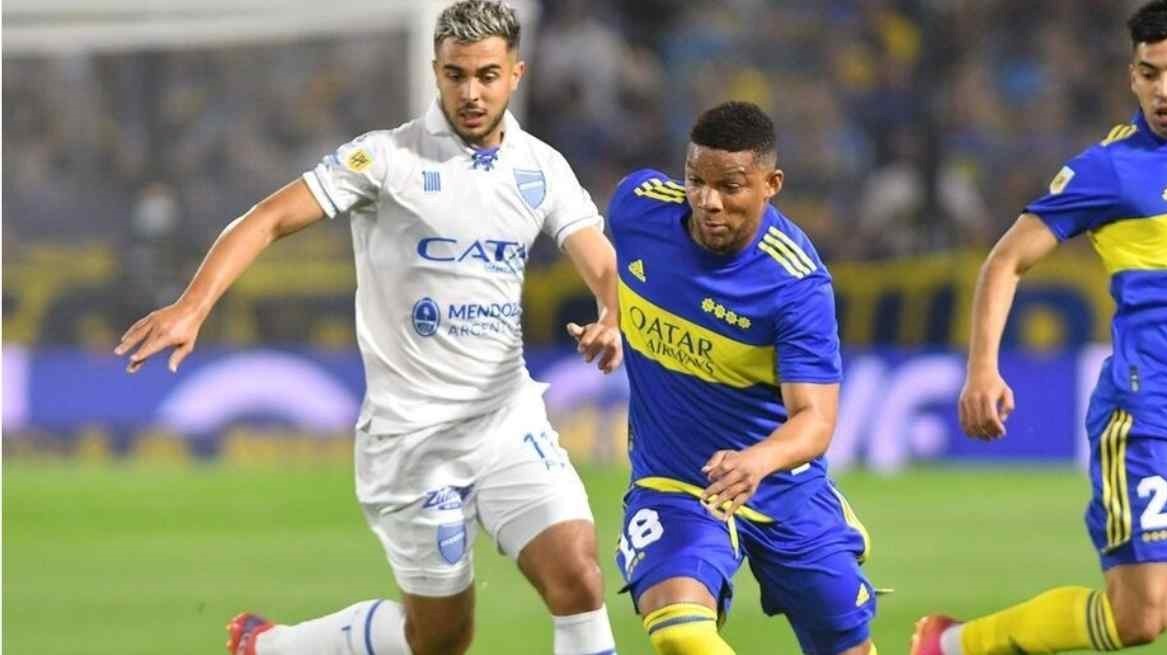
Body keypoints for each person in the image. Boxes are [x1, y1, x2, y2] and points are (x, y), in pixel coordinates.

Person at [115, 2, 623, 654]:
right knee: (440, 640)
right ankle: (270, 647)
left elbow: (599, 259)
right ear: (435, 71)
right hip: (412, 440)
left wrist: (612, 315)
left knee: (578, 576)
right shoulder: (386, 158)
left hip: (507, 422)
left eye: (487, 75)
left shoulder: (542, 167)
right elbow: (268, 219)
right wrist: (193, 305)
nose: (471, 93)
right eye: (456, 75)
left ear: (516, 74)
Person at [911, 2, 1167, 654]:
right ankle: (952, 645)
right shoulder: (1110, 169)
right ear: (1132, 78)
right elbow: (1006, 261)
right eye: (1149, 74)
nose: (1164, 89)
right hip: (1147, 423)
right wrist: (982, 368)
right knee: (1140, 618)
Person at [605, 100, 878, 655]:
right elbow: (608, 266)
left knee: (845, 644)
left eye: (730, 187)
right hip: (675, 482)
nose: (708, 201)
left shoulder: (795, 283)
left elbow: (816, 420)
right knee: (680, 632)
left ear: (771, 184)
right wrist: (610, 317)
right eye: (696, 181)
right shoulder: (636, 207)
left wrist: (756, 461)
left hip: (781, 486)